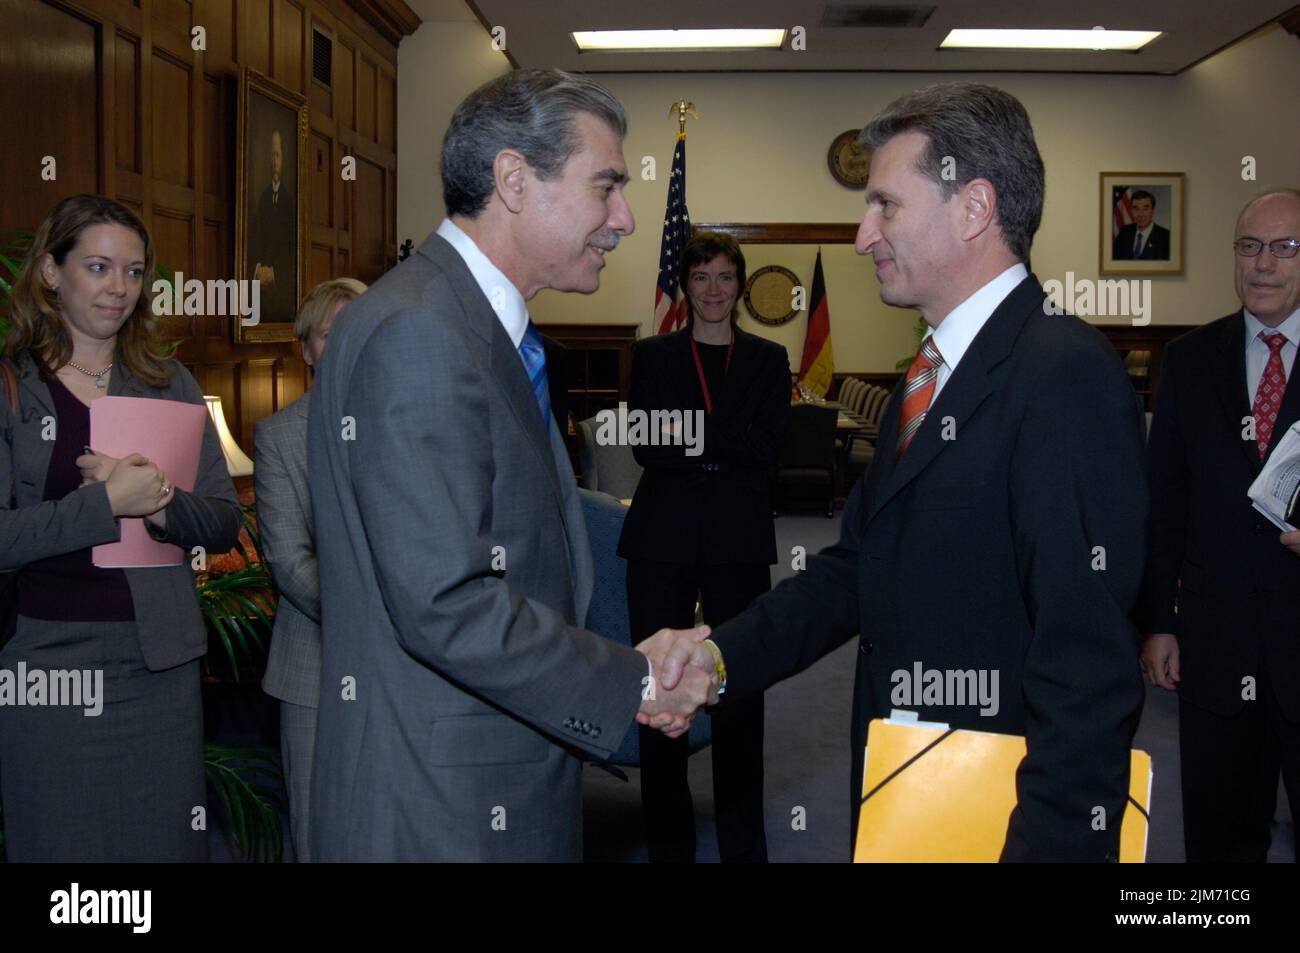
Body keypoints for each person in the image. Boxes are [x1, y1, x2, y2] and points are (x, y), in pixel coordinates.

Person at [653, 83, 1148, 862]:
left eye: (886, 205)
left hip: (995, 812)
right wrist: (720, 660)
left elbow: (1085, 676)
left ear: (974, 207)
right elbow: (859, 567)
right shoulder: (934, 368)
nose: (862, 235)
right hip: (908, 785)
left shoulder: (1063, 376)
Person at [306, 68, 720, 862]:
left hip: (488, 769)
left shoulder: (463, 322)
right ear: (514, 179)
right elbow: (446, 602)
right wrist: (632, 679)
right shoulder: (421, 334)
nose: (626, 218)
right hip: (440, 805)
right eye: (605, 187)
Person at [0, 193, 240, 861]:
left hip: (157, 664)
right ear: (51, 272)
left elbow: (223, 520)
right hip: (46, 667)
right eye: (99, 267)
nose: (119, 288)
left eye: (134, 272)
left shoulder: (169, 382)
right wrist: (104, 504)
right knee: (62, 852)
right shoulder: (11, 389)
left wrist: (158, 501)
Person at [1138, 187, 1300, 863]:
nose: (1263, 263)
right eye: (1248, 245)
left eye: (1285, 246)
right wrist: (1157, 620)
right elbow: (1164, 501)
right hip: (1215, 645)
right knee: (1220, 845)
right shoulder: (1188, 361)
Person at [618, 231, 790, 862]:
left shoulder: (769, 359)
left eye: (723, 277)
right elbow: (646, 445)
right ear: (684, 287)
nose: (712, 290)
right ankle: (670, 846)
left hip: (738, 538)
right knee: (658, 687)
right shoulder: (654, 355)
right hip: (661, 536)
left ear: (738, 285)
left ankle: (745, 846)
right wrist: (727, 439)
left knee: (740, 687)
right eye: (700, 279)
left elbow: (768, 448)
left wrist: (693, 436)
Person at [255, 276, 366, 863]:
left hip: (407, 665)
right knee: (317, 825)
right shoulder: (278, 437)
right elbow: (289, 561)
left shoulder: (409, 425)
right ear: (306, 350)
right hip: (313, 667)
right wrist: (369, 614)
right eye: (330, 331)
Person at [248, 129, 297, 323]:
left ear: (283, 158)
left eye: (277, 155)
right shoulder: (263, 198)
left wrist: (274, 273)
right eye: (271, 155)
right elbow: (255, 241)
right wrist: (258, 269)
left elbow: (292, 250)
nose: (274, 161)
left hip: (280, 291)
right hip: (260, 289)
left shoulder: (290, 201)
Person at [1112, 190, 1171, 261]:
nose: (1140, 214)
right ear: (1131, 210)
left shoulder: (1166, 237)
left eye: (1145, 209)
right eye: (1136, 208)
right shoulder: (1124, 232)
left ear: (1153, 210)